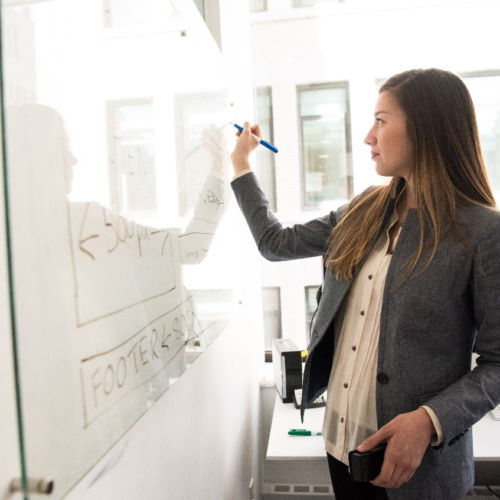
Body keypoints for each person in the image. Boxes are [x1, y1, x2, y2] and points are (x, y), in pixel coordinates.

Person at [230, 68, 500, 500]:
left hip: (417, 469)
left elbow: (498, 363)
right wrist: (241, 165)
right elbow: (275, 243)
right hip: (341, 447)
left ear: (427, 129)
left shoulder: (482, 232)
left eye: (381, 120)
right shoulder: (364, 210)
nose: (368, 137)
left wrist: (429, 420)